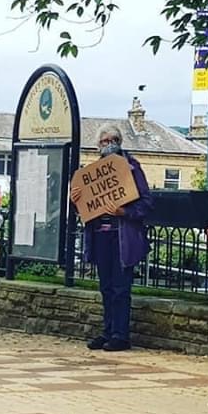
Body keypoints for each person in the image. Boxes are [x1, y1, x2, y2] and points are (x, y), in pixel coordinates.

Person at [70, 124, 153, 352]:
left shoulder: (132, 168)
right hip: (100, 236)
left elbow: (146, 203)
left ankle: (120, 335)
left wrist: (124, 212)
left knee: (120, 288)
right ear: (98, 145)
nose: (109, 144)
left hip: (123, 237)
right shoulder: (92, 173)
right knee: (106, 287)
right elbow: (84, 208)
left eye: (114, 140)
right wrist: (75, 199)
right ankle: (107, 331)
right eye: (105, 141)